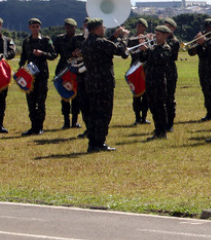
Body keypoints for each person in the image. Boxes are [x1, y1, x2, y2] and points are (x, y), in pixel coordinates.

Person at [80, 19, 129, 152]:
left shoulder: (85, 43)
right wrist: (124, 37)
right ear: (97, 29)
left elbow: (106, 44)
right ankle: (100, 143)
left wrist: (114, 36)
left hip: (91, 83)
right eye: (103, 27)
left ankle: (93, 143)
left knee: (94, 113)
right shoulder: (100, 42)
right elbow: (119, 50)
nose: (104, 28)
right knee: (104, 114)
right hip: (103, 83)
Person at [19, 18, 57, 136]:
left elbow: (53, 55)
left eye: (37, 26)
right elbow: (23, 57)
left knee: (41, 101)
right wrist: (20, 68)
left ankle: (40, 127)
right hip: (30, 74)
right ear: (29, 28)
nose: (35, 28)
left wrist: (42, 53)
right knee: (31, 101)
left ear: (39, 27)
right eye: (33, 26)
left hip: (42, 75)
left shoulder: (46, 40)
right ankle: (33, 126)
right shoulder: (26, 42)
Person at [139, 25, 173, 140]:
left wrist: (147, 49)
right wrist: (142, 50)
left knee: (160, 107)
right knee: (153, 107)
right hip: (150, 81)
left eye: (158, 34)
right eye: (155, 34)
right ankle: (157, 130)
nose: (155, 36)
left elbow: (160, 59)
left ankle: (162, 132)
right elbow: (143, 59)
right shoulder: (153, 48)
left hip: (159, 81)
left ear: (165, 35)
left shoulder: (166, 48)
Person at [52, 18, 83, 129]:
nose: (69, 29)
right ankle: (66, 122)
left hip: (76, 70)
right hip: (63, 69)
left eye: (71, 27)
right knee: (65, 97)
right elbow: (54, 53)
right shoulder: (60, 39)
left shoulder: (80, 38)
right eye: (67, 27)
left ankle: (74, 121)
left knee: (76, 97)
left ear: (75, 27)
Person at [126, 20, 151, 125]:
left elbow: (152, 52)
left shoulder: (149, 39)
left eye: (142, 26)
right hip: (135, 68)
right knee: (136, 94)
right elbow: (130, 51)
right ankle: (137, 118)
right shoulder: (132, 39)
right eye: (138, 26)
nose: (139, 28)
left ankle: (144, 117)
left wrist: (147, 42)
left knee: (146, 95)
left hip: (145, 68)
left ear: (145, 28)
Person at [161, 18, 181, 131]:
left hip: (170, 73)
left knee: (169, 98)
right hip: (160, 73)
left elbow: (170, 55)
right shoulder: (160, 40)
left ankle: (170, 124)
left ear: (172, 29)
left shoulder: (174, 41)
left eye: (167, 27)